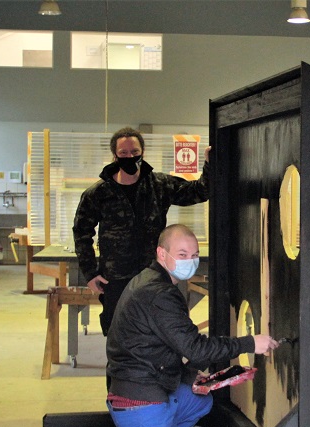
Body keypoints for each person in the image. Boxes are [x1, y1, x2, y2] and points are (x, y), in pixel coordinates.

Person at [26, 224, 280, 427]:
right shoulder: (160, 294)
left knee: (199, 401)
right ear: (162, 253)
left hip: (139, 390)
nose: (190, 260)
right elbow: (195, 347)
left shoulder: (150, 281)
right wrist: (250, 343)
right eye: (182, 253)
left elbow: (157, 348)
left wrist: (190, 376)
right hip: (139, 405)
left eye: (194, 254)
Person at [72, 126, 211, 336]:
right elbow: (81, 233)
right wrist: (90, 273)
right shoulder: (98, 193)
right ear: (115, 156)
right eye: (124, 153)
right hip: (116, 277)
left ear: (142, 152)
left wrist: (210, 164)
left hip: (153, 274)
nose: (130, 157)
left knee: (157, 329)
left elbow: (199, 192)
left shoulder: (159, 185)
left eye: (135, 153)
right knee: (118, 332)